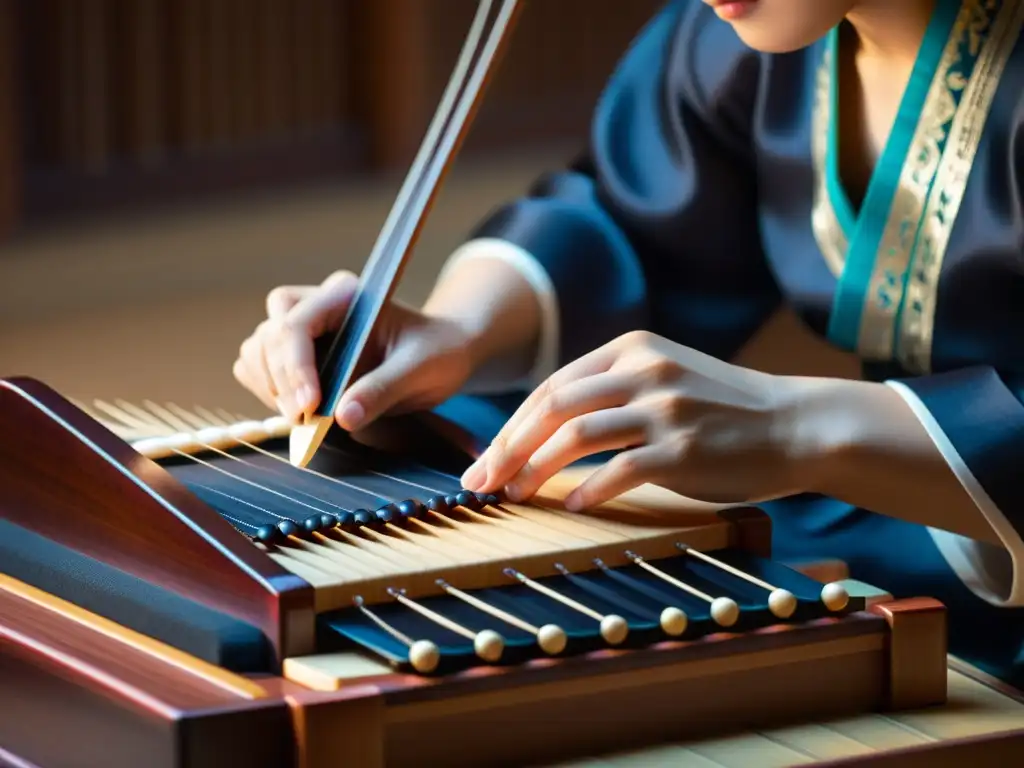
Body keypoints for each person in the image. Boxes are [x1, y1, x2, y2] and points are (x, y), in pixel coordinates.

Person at [233, 0, 1024, 686]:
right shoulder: (740, 37)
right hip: (918, 526)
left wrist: (794, 425)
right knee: (468, 443)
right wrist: (458, 330)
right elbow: (639, 223)